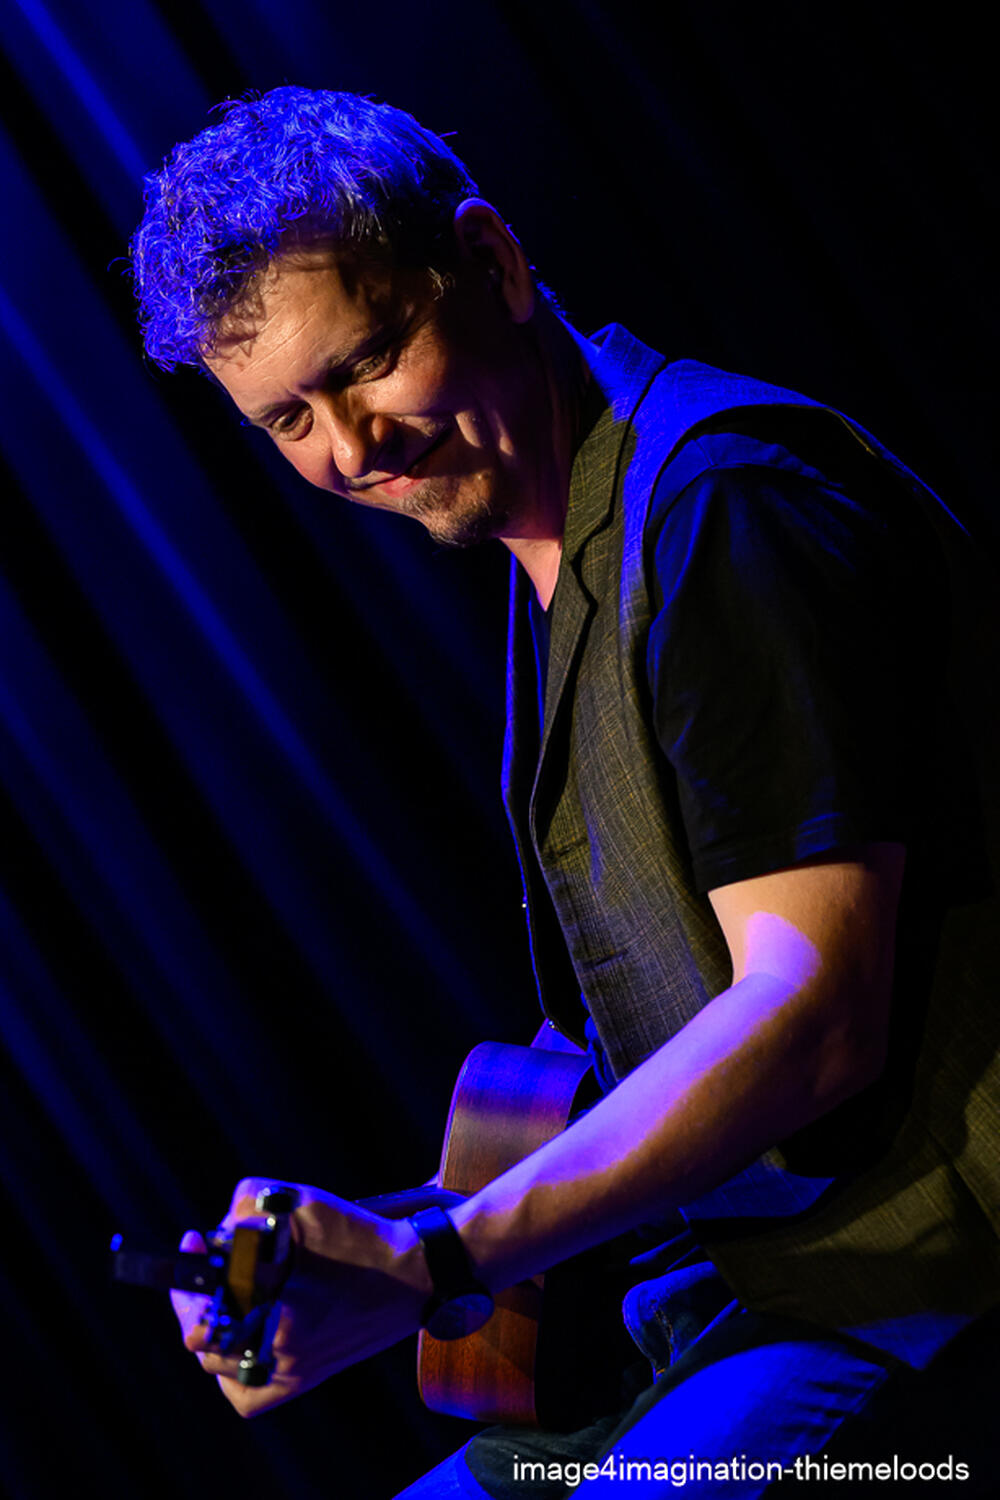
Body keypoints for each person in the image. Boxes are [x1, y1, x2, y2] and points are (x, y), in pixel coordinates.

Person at [130, 87, 1000, 1496]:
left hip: (912, 1283)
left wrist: (440, 1255)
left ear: (494, 263)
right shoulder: (563, 560)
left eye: (370, 361)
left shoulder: (719, 507)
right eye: (288, 417)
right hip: (721, 1308)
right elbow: (643, 1059)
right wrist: (361, 1257)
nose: (350, 449)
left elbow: (813, 1017)